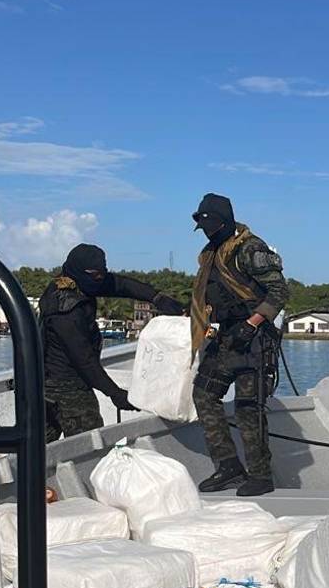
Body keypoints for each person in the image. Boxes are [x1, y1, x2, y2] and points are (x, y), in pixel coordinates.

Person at [189, 193, 289, 496]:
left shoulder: (250, 249)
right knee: (204, 394)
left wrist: (252, 324)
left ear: (225, 222)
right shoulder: (210, 253)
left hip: (254, 337)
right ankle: (228, 465)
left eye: (212, 225)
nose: (208, 232)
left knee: (248, 408)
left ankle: (260, 475)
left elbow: (279, 292)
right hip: (226, 336)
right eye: (204, 227)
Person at [40, 244, 184, 442]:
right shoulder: (65, 310)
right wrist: (114, 393)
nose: (100, 280)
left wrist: (157, 297)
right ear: (79, 271)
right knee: (89, 446)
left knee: (42, 449)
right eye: (95, 275)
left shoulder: (81, 282)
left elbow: (120, 284)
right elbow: (84, 360)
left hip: (51, 381)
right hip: (66, 386)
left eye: (102, 274)